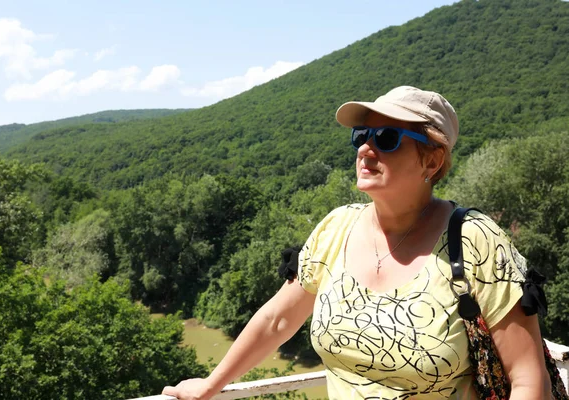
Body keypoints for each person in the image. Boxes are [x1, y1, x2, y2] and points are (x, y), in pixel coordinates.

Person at [162, 86, 551, 399]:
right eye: (361, 136)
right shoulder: (337, 227)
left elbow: (529, 380)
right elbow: (278, 319)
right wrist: (211, 384)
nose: (367, 148)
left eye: (387, 137)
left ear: (431, 162)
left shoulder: (474, 240)